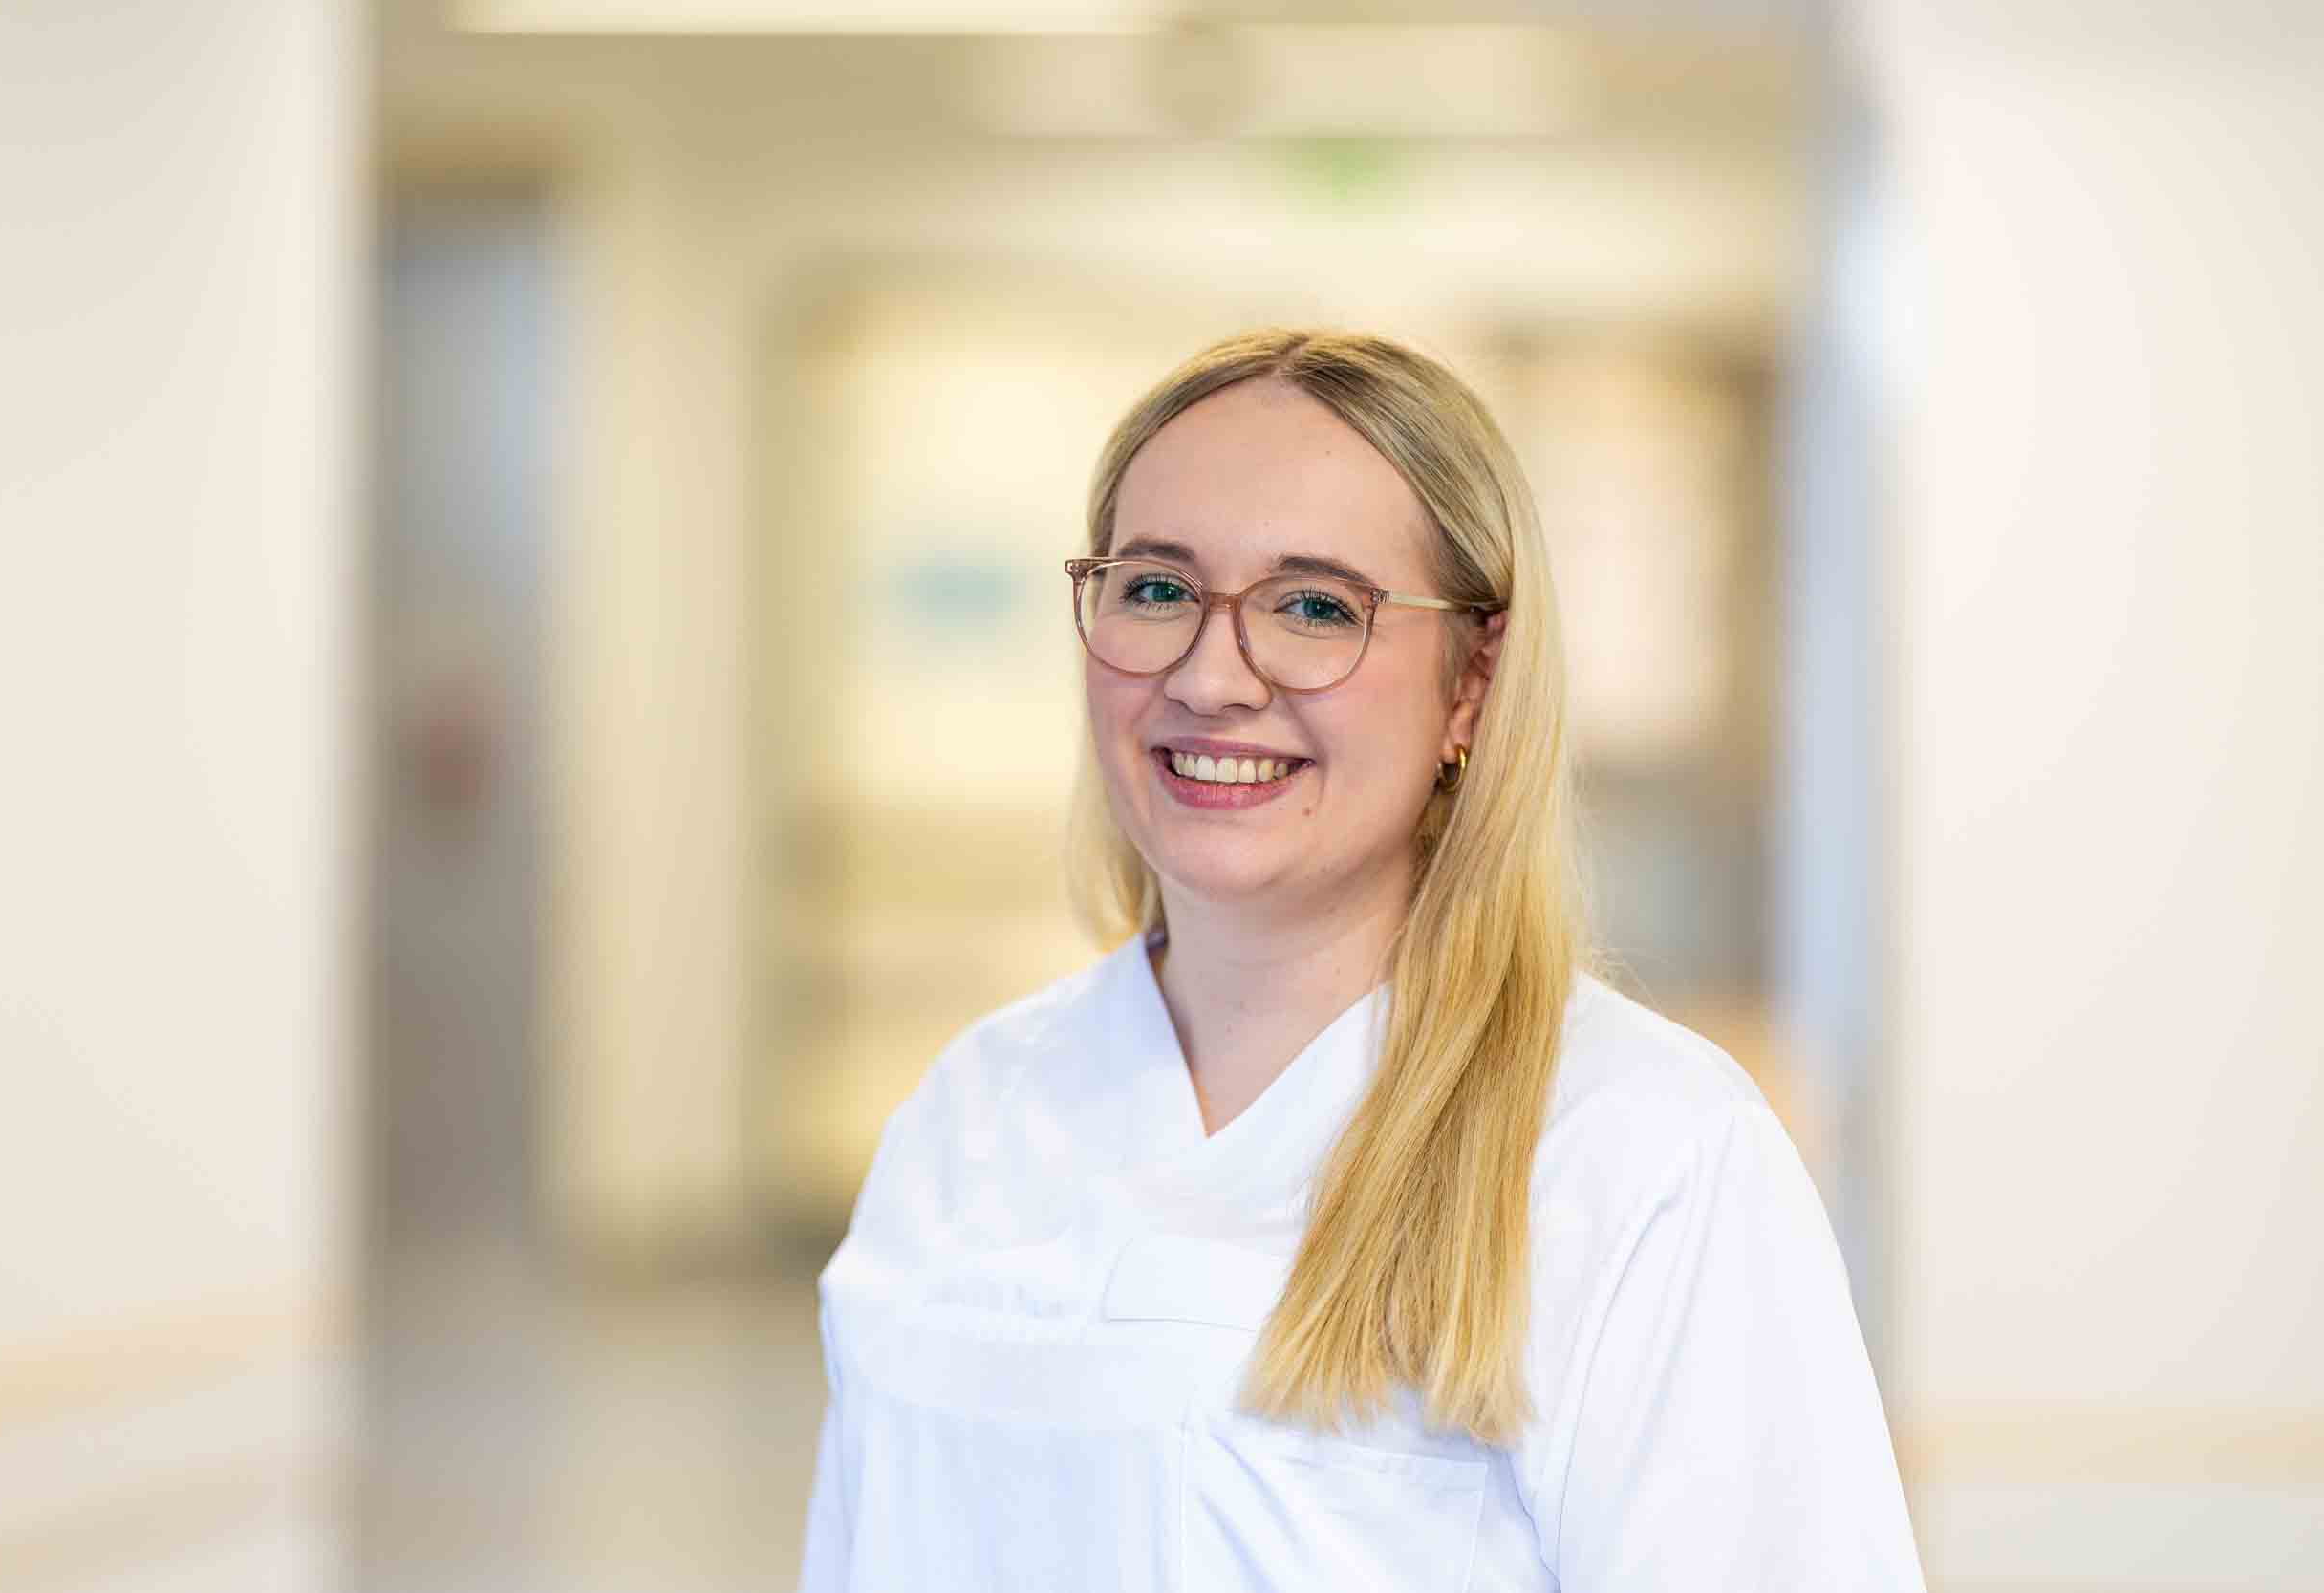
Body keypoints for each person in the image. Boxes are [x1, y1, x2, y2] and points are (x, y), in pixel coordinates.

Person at [795, 328, 1926, 1591]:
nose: (1212, 677)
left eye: (1315, 607)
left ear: (1471, 683)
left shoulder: (1639, 1152)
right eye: (1156, 589)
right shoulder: (971, 1117)